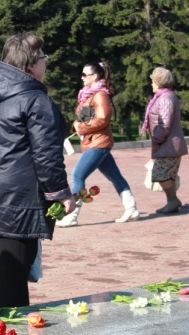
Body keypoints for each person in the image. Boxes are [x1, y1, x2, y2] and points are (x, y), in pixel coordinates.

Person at [0, 33, 75, 309]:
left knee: (7, 275)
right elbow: (47, 156)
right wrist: (61, 193)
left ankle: (8, 330)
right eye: (43, 58)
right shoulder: (35, 101)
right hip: (17, 199)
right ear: (30, 64)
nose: (46, 63)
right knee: (14, 278)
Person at [56, 62, 139, 227]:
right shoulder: (87, 95)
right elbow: (84, 119)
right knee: (115, 176)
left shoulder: (100, 95)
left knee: (78, 176)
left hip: (98, 143)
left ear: (95, 76)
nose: (82, 77)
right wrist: (76, 126)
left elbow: (102, 119)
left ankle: (71, 216)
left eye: (85, 74)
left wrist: (82, 127)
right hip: (93, 141)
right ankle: (131, 208)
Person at [143, 67, 188, 213]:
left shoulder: (166, 98)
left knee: (161, 174)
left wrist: (156, 138)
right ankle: (172, 201)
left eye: (153, 81)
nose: (151, 84)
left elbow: (165, 123)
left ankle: (173, 201)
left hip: (168, 145)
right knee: (165, 174)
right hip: (167, 145)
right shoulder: (163, 97)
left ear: (159, 82)